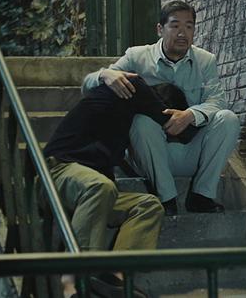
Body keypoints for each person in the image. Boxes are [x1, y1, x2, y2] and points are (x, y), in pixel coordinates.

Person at [82, 0, 239, 216]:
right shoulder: (137, 57)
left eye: (189, 26)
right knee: (141, 121)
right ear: (160, 29)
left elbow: (217, 101)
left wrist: (189, 115)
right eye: (175, 26)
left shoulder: (205, 60)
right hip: (148, 154)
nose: (182, 33)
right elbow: (88, 86)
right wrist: (105, 74)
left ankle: (201, 196)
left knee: (228, 119)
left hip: (190, 151)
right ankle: (167, 199)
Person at [42, 77, 178, 298]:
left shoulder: (122, 126)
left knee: (149, 204)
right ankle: (72, 281)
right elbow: (172, 121)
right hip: (57, 173)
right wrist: (186, 116)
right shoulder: (122, 92)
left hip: (93, 190)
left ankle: (115, 276)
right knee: (101, 186)